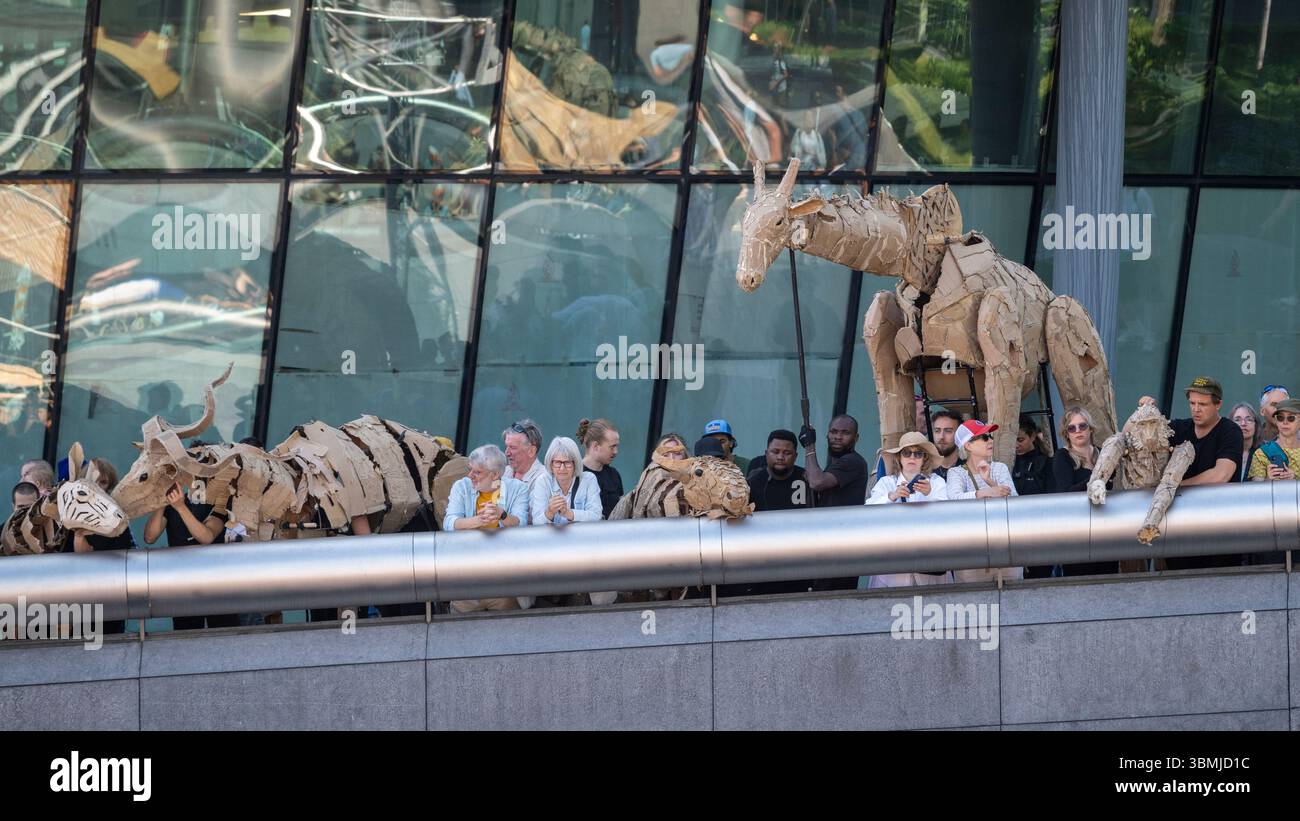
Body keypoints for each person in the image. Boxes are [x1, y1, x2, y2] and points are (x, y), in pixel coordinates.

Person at [1139, 377, 1244, 570]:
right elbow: (1133, 433)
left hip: (1219, 532)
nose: (1196, 409)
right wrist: (1145, 411)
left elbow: (1221, 475)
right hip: (1180, 532)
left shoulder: (1230, 431)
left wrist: (1173, 485)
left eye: (1202, 404)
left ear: (1218, 404)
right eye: (1192, 403)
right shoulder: (1179, 428)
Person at [443, 444, 529, 613]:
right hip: (466, 579)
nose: (470, 476)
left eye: (478, 472)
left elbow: (521, 525)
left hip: (503, 581)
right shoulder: (462, 486)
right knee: (459, 631)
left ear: (495, 474)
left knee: (507, 630)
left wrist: (502, 515)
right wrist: (477, 521)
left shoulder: (518, 489)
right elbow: (449, 523)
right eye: (470, 469)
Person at [862, 432, 952, 588]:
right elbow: (868, 512)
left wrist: (929, 494)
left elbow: (949, 515)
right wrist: (892, 496)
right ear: (899, 457)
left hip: (928, 557)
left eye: (918, 454)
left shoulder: (936, 482)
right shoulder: (886, 483)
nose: (912, 457)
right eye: (906, 453)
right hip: (892, 557)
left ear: (924, 458)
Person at [143, 481, 238, 630]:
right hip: (183, 583)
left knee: (224, 633)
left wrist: (181, 508)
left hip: (217, 582)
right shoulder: (172, 504)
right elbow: (150, 537)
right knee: (187, 635)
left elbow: (206, 537)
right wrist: (161, 501)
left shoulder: (218, 499)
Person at [532, 436, 611, 606]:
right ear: (550, 464)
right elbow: (536, 524)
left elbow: (596, 515)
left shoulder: (588, 479)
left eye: (567, 463)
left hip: (583, 547)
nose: (562, 468)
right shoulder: (543, 481)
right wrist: (549, 512)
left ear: (575, 464)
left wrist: (570, 513)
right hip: (552, 549)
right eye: (557, 463)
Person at [945, 420, 1022, 583]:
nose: (990, 440)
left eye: (990, 436)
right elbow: (954, 500)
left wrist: (991, 483)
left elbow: (1014, 502)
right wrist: (985, 492)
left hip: (1005, 549)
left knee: (1015, 603)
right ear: (968, 445)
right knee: (973, 606)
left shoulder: (999, 468)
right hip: (970, 553)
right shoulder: (956, 473)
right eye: (984, 437)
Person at [800, 414, 869, 590]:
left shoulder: (853, 461)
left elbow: (817, 482)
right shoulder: (835, 462)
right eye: (834, 431)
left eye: (845, 433)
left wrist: (809, 447)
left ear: (856, 438)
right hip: (829, 544)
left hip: (843, 548)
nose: (838, 436)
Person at [747, 430, 810, 512]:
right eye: (775, 452)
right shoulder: (752, 482)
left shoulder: (806, 479)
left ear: (795, 456)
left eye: (787, 453)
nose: (780, 457)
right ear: (766, 454)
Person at [503, 418, 546, 523]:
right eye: (506, 447)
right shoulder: (502, 472)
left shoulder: (544, 478)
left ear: (531, 451)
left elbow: (532, 520)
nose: (506, 453)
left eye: (512, 447)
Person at [1050, 406, 1102, 493]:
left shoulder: (1101, 453)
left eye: (1082, 426)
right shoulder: (1062, 456)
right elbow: (1066, 492)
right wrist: (1097, 478)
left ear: (1091, 429)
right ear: (1066, 433)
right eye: (1071, 428)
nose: (1077, 431)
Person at [579, 418, 624, 518]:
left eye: (617, 446)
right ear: (595, 446)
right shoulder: (576, 475)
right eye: (612, 447)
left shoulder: (614, 474)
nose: (616, 451)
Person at [1248, 398, 1300, 482]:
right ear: (1276, 420)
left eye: (1291, 418)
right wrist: (1268, 480)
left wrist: (1295, 480)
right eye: (1280, 417)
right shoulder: (1261, 453)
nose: (1285, 422)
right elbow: (1256, 492)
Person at [1012, 414, 1052, 496]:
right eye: (1012, 440)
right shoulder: (1007, 462)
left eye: (1020, 440)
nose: (1016, 445)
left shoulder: (1046, 462)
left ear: (1033, 436)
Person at [1231, 402, 1266, 482]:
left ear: (1256, 425)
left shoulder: (1264, 452)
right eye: (1237, 420)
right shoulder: (1222, 450)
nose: (1243, 424)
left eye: (1249, 419)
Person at [929, 409, 964, 479]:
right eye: (937, 431)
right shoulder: (925, 471)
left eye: (948, 431)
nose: (941, 436)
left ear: (959, 434)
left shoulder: (967, 470)